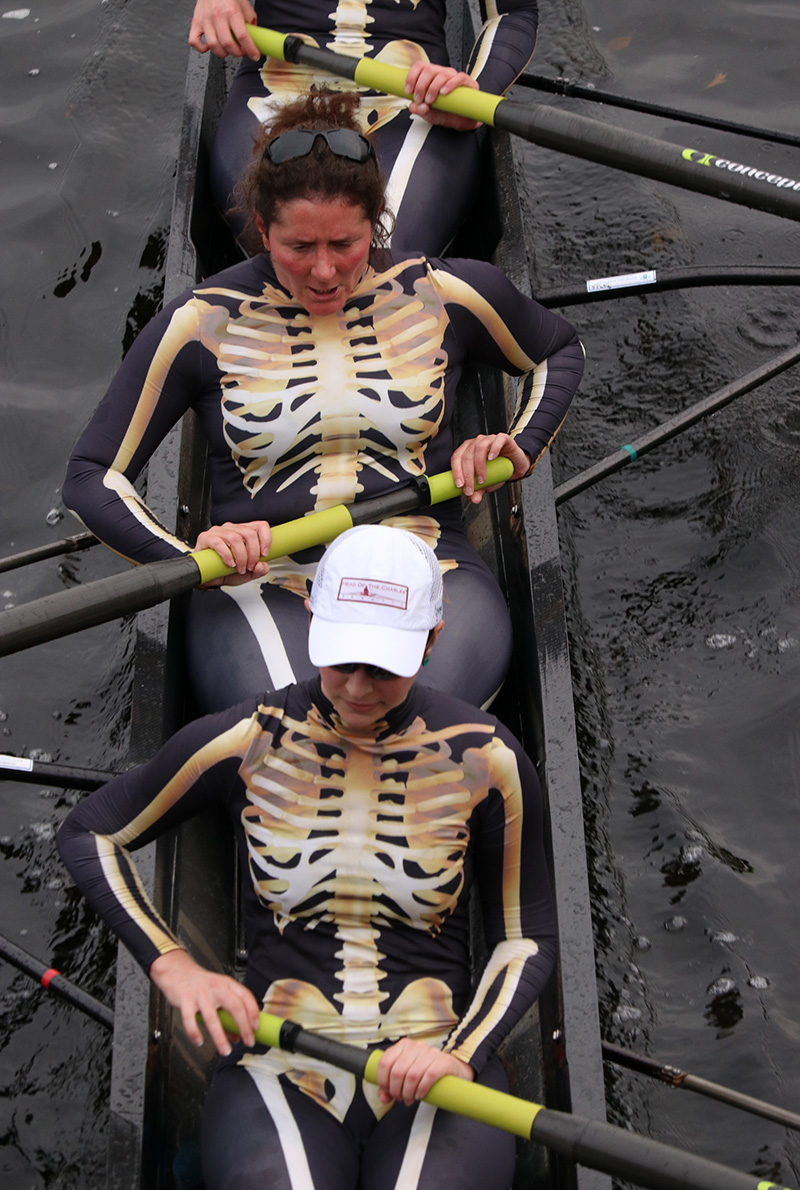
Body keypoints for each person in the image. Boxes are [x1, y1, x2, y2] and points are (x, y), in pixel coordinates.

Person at [57, 524, 558, 1190]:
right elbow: (91, 833)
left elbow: (526, 938)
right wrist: (172, 965)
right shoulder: (246, 738)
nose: (356, 689)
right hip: (278, 1063)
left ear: (432, 641)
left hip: (437, 1062)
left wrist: (461, 1051)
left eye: (382, 668)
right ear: (313, 620)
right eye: (340, 660)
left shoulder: (489, 759)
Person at [62, 90, 584, 715]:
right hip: (266, 578)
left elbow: (559, 349)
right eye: (299, 248)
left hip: (425, 556)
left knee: (398, 724)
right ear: (263, 230)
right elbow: (92, 475)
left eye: (344, 244)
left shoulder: (445, 290)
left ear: (377, 221)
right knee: (306, 732)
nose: (325, 272)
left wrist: (517, 442)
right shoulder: (198, 323)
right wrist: (191, 557)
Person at [188, 0, 539, 254]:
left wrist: (475, 91)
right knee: (289, 245)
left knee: (375, 258)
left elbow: (512, 12)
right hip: (276, 83)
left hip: (412, 98)